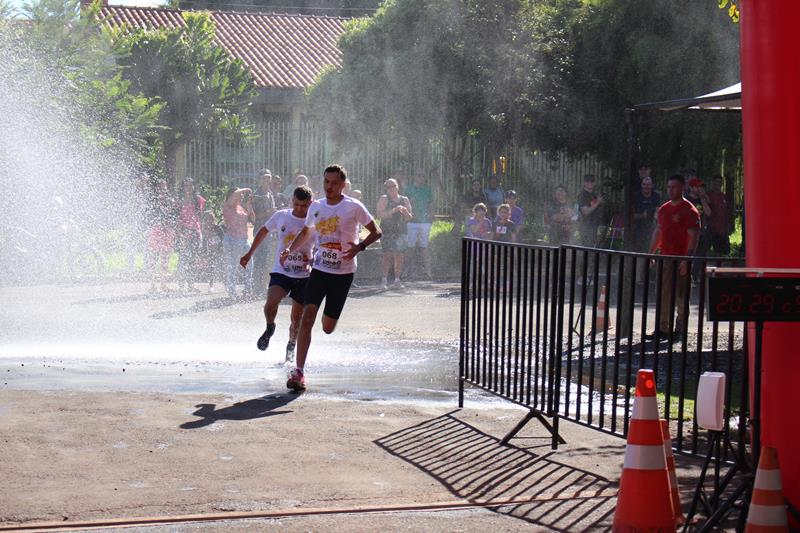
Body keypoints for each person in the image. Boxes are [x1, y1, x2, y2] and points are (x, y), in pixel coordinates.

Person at [281, 165, 382, 392]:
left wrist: (360, 247)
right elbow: (306, 232)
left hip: (343, 274)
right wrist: (290, 249)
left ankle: (329, 323)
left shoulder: (353, 207)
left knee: (327, 327)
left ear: (343, 185)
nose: (329, 186)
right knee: (307, 318)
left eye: (334, 182)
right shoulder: (316, 206)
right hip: (319, 271)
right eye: (326, 182)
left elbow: (376, 232)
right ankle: (299, 373)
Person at [240, 186, 314, 362]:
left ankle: (290, 347)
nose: (299, 209)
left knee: (296, 320)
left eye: (304, 206)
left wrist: (313, 262)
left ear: (310, 204)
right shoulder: (282, 216)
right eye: (296, 204)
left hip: (303, 274)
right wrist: (249, 253)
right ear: (291, 201)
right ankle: (270, 326)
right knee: (270, 303)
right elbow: (263, 231)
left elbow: (321, 246)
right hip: (281, 270)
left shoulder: (314, 222)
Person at [649, 174, 700, 336]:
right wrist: (651, 252)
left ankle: (680, 328)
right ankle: (663, 328)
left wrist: (687, 259)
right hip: (665, 257)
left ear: (682, 188)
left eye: (674, 187)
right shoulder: (664, 209)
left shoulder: (690, 210)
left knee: (681, 294)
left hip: (681, 258)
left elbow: (694, 236)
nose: (671, 190)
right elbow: (658, 232)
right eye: (669, 187)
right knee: (663, 293)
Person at [376, 178, 413, 289]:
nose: (391, 189)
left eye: (393, 186)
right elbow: (379, 215)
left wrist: (406, 212)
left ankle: (397, 280)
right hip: (387, 231)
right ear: (386, 189)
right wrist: (393, 210)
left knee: (399, 256)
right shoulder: (384, 199)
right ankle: (384, 280)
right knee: (387, 255)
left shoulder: (404, 199)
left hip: (401, 231)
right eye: (389, 187)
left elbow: (409, 218)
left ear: (398, 186)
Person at [146, 179, 179, 295]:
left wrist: (172, 228)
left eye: (164, 186)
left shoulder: (169, 199)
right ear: (157, 188)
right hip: (156, 230)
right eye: (160, 186)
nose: (162, 189)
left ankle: (163, 284)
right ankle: (152, 284)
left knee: (165, 258)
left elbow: (173, 214)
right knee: (154, 257)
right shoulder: (151, 199)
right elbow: (149, 214)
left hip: (167, 230)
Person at [175, 178, 206, 293]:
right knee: (182, 259)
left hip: (195, 231)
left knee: (193, 259)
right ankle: (181, 285)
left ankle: (191, 284)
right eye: (186, 185)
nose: (188, 188)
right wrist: (180, 233)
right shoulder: (179, 201)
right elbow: (176, 217)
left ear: (193, 187)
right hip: (183, 232)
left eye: (190, 185)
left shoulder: (198, 200)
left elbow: (202, 216)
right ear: (183, 188)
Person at [249, 169, 276, 298]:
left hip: (269, 232)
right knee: (259, 260)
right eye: (264, 178)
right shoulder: (256, 195)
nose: (267, 180)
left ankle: (263, 286)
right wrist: (268, 213)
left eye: (268, 177)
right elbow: (252, 217)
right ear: (259, 179)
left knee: (266, 260)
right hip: (259, 231)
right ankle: (256, 288)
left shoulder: (270, 194)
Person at [222, 186, 252, 299]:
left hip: (244, 240)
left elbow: (252, 218)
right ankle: (231, 291)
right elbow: (235, 193)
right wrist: (246, 189)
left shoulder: (241, 208)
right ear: (231, 196)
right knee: (233, 266)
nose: (241, 196)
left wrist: (249, 205)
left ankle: (247, 289)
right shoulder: (228, 205)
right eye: (239, 194)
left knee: (249, 265)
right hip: (232, 239)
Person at [405, 172, 434, 280]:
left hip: (425, 221)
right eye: (418, 175)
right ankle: (408, 271)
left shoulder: (427, 190)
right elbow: (404, 204)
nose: (420, 177)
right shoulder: (408, 189)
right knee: (410, 247)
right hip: (412, 221)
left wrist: (431, 217)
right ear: (414, 176)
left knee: (425, 247)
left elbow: (431, 204)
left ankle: (428, 272)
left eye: (422, 175)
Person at [685, 171, 712, 258]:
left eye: (701, 187)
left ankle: (699, 271)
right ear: (691, 188)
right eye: (697, 187)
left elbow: (709, 213)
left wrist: (703, 199)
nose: (700, 189)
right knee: (688, 256)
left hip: (701, 233)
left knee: (700, 257)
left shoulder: (702, 199)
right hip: (689, 234)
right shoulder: (686, 200)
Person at [631, 176, 662, 252]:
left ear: (652, 185)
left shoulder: (656, 196)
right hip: (638, 226)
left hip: (652, 225)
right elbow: (631, 215)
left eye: (648, 184)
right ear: (641, 185)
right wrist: (642, 215)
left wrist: (654, 220)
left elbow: (657, 211)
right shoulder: (636, 196)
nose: (646, 186)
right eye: (644, 184)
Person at [707, 175, 732, 256]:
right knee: (710, 252)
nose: (718, 184)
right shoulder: (708, 195)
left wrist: (728, 226)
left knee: (722, 253)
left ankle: (720, 267)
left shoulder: (724, 196)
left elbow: (727, 212)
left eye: (720, 182)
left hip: (723, 230)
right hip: (711, 229)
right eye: (716, 182)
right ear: (712, 183)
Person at [199, 210, 224, 292]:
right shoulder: (204, 230)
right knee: (211, 268)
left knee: (222, 267)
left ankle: (226, 284)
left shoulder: (217, 228)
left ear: (213, 219)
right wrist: (203, 253)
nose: (209, 221)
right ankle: (211, 286)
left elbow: (223, 238)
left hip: (219, 250)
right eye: (207, 220)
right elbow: (203, 242)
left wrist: (220, 246)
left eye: (211, 219)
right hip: (210, 252)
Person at [577, 174, 603, 247]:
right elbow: (585, 212)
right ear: (584, 183)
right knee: (587, 251)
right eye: (587, 180)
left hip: (595, 226)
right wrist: (598, 202)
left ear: (594, 183)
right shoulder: (582, 195)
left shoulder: (594, 195)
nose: (590, 182)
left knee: (594, 251)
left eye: (592, 181)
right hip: (586, 228)